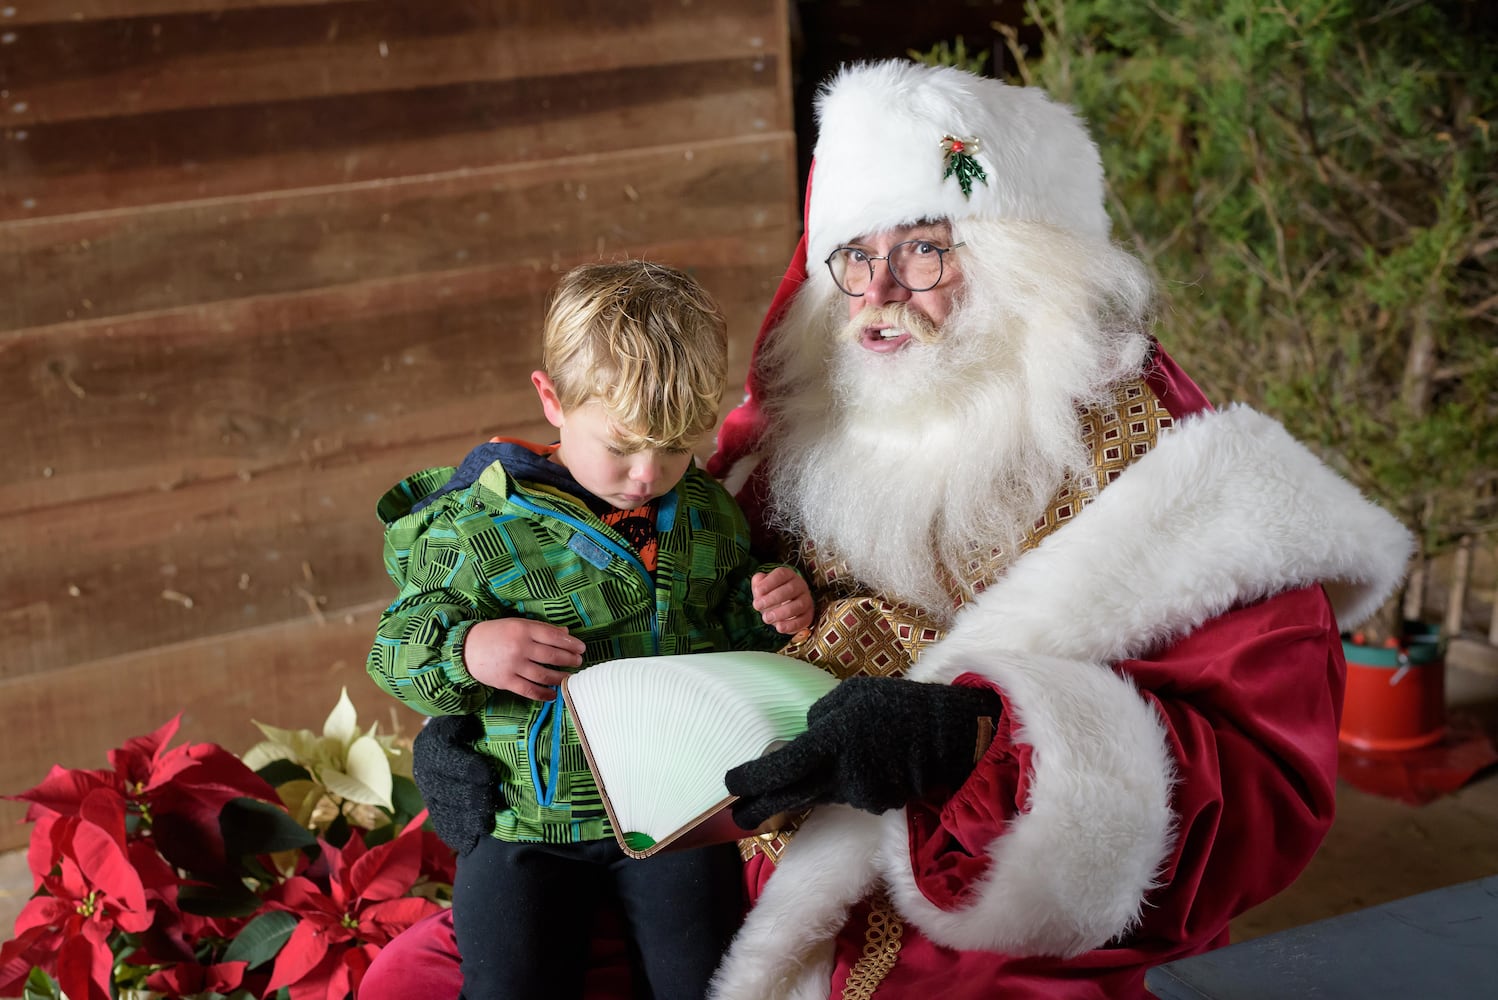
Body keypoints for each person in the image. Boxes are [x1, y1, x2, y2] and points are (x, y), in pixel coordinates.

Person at [362, 59, 1412, 999]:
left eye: (924, 251)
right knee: (417, 978)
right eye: (852, 259)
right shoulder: (792, 426)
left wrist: (966, 744)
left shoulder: (1175, 476)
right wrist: (468, 718)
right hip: (719, 856)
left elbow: (1265, 788)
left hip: (971, 918)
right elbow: (592, 587)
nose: (878, 299)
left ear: (1022, 267)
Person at [366, 259, 814, 1000]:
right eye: (624, 445)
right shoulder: (475, 525)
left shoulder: (703, 513)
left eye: (675, 447)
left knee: (710, 981)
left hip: (672, 812)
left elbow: (725, 632)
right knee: (512, 984)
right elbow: (395, 649)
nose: (648, 473)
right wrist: (470, 651)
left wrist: (769, 608)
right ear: (552, 400)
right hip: (526, 822)